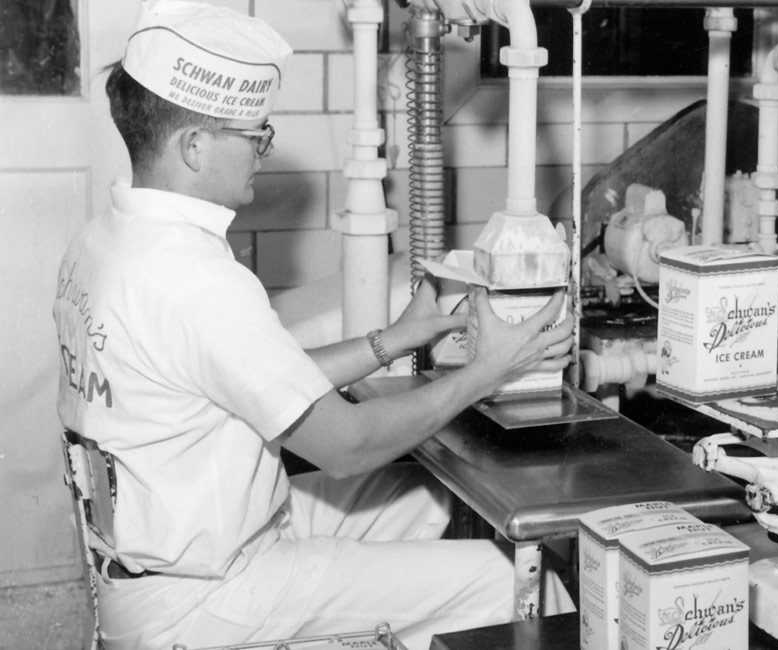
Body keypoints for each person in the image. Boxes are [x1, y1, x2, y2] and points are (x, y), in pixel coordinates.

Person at [52, 2, 576, 649]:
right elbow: (347, 444)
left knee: (426, 495)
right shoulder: (192, 279)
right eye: (254, 136)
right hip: (206, 596)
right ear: (192, 146)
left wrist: (398, 336)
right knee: (524, 581)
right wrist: (485, 373)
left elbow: (251, 377)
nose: (263, 155)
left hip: (155, 563)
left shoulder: (107, 243)